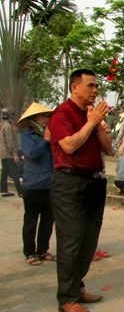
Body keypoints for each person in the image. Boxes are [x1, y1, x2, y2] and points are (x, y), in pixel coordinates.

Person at [48, 69, 113, 312]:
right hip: (69, 183)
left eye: (97, 86)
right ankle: (66, 298)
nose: (95, 90)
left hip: (94, 182)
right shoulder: (62, 113)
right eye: (90, 85)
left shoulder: (90, 114)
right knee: (71, 241)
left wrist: (97, 127)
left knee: (88, 241)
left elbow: (109, 149)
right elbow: (70, 146)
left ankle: (77, 287)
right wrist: (92, 123)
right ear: (74, 87)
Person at [17, 103, 56, 266]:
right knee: (31, 220)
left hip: (50, 184)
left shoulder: (51, 134)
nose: (47, 119)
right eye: (43, 116)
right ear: (34, 119)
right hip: (33, 185)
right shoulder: (27, 135)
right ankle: (30, 252)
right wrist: (46, 141)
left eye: (48, 116)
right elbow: (32, 154)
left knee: (48, 220)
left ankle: (42, 250)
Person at [1, 107, 23, 197]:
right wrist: (14, 153)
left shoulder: (1, 126)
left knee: (4, 173)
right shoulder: (7, 127)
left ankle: (3, 190)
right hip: (8, 153)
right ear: (9, 116)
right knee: (15, 173)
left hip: (2, 154)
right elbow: (10, 141)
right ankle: (21, 192)